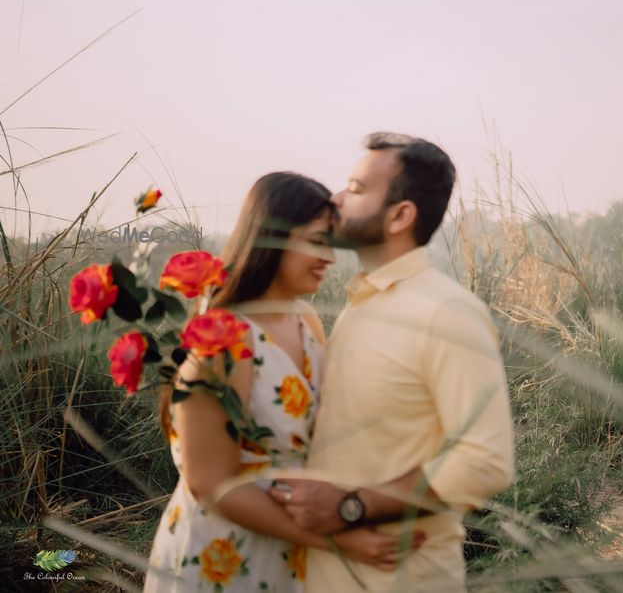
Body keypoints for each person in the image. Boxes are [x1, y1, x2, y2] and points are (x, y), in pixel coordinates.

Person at [145, 172, 422, 593]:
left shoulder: (305, 320)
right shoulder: (225, 340)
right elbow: (212, 484)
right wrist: (343, 542)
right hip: (227, 555)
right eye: (316, 240)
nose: (329, 257)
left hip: (293, 549)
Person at [268, 134, 516, 592]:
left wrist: (351, 506)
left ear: (401, 215)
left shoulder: (445, 312)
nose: (334, 199)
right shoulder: (362, 303)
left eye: (356, 189)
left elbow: (485, 462)